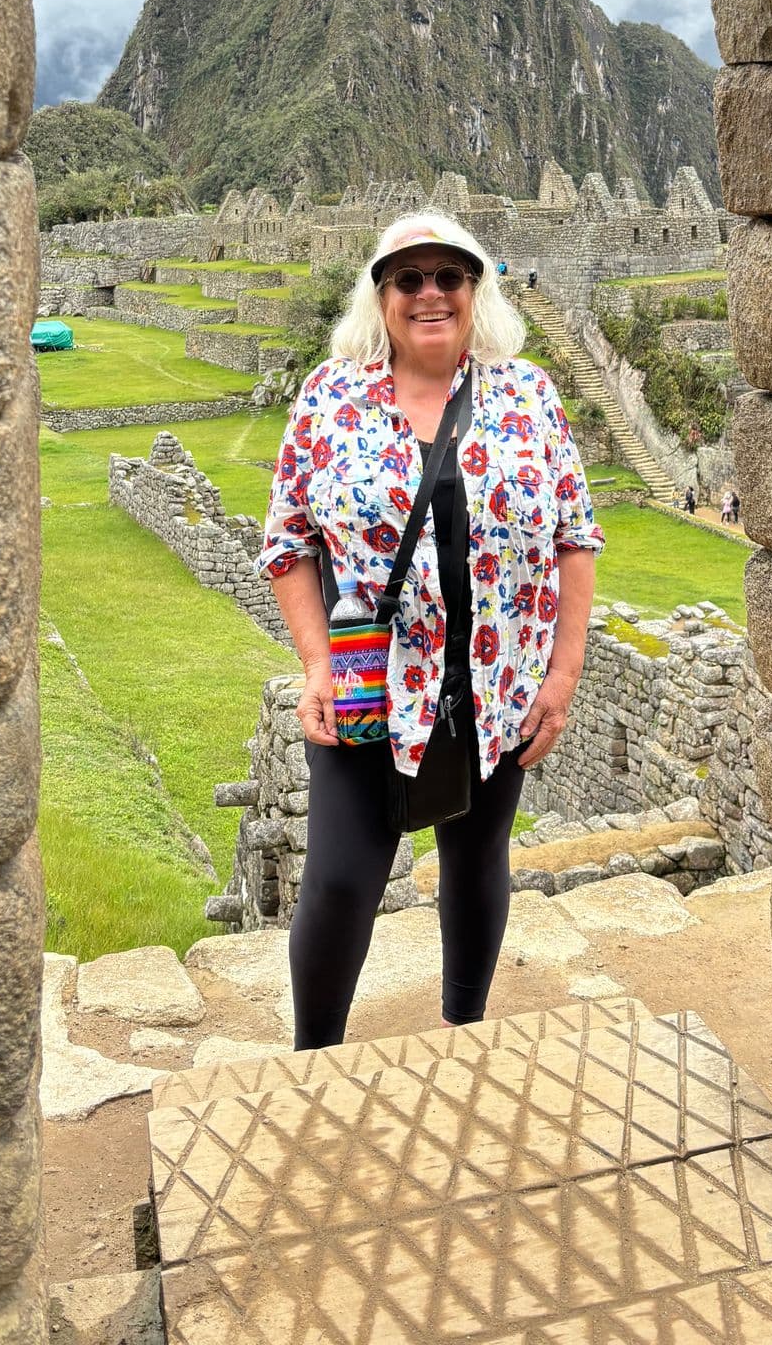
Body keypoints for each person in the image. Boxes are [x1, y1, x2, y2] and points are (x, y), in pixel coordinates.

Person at [259, 211, 603, 1049]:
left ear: (474, 290)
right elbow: (287, 541)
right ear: (380, 299)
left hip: (493, 689)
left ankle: (464, 1034)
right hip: (370, 684)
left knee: (476, 866)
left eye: (449, 276)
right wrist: (315, 665)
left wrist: (560, 680)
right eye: (407, 278)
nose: (430, 293)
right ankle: (315, 1060)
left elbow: (574, 535)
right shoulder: (330, 396)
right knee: (340, 882)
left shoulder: (527, 394)